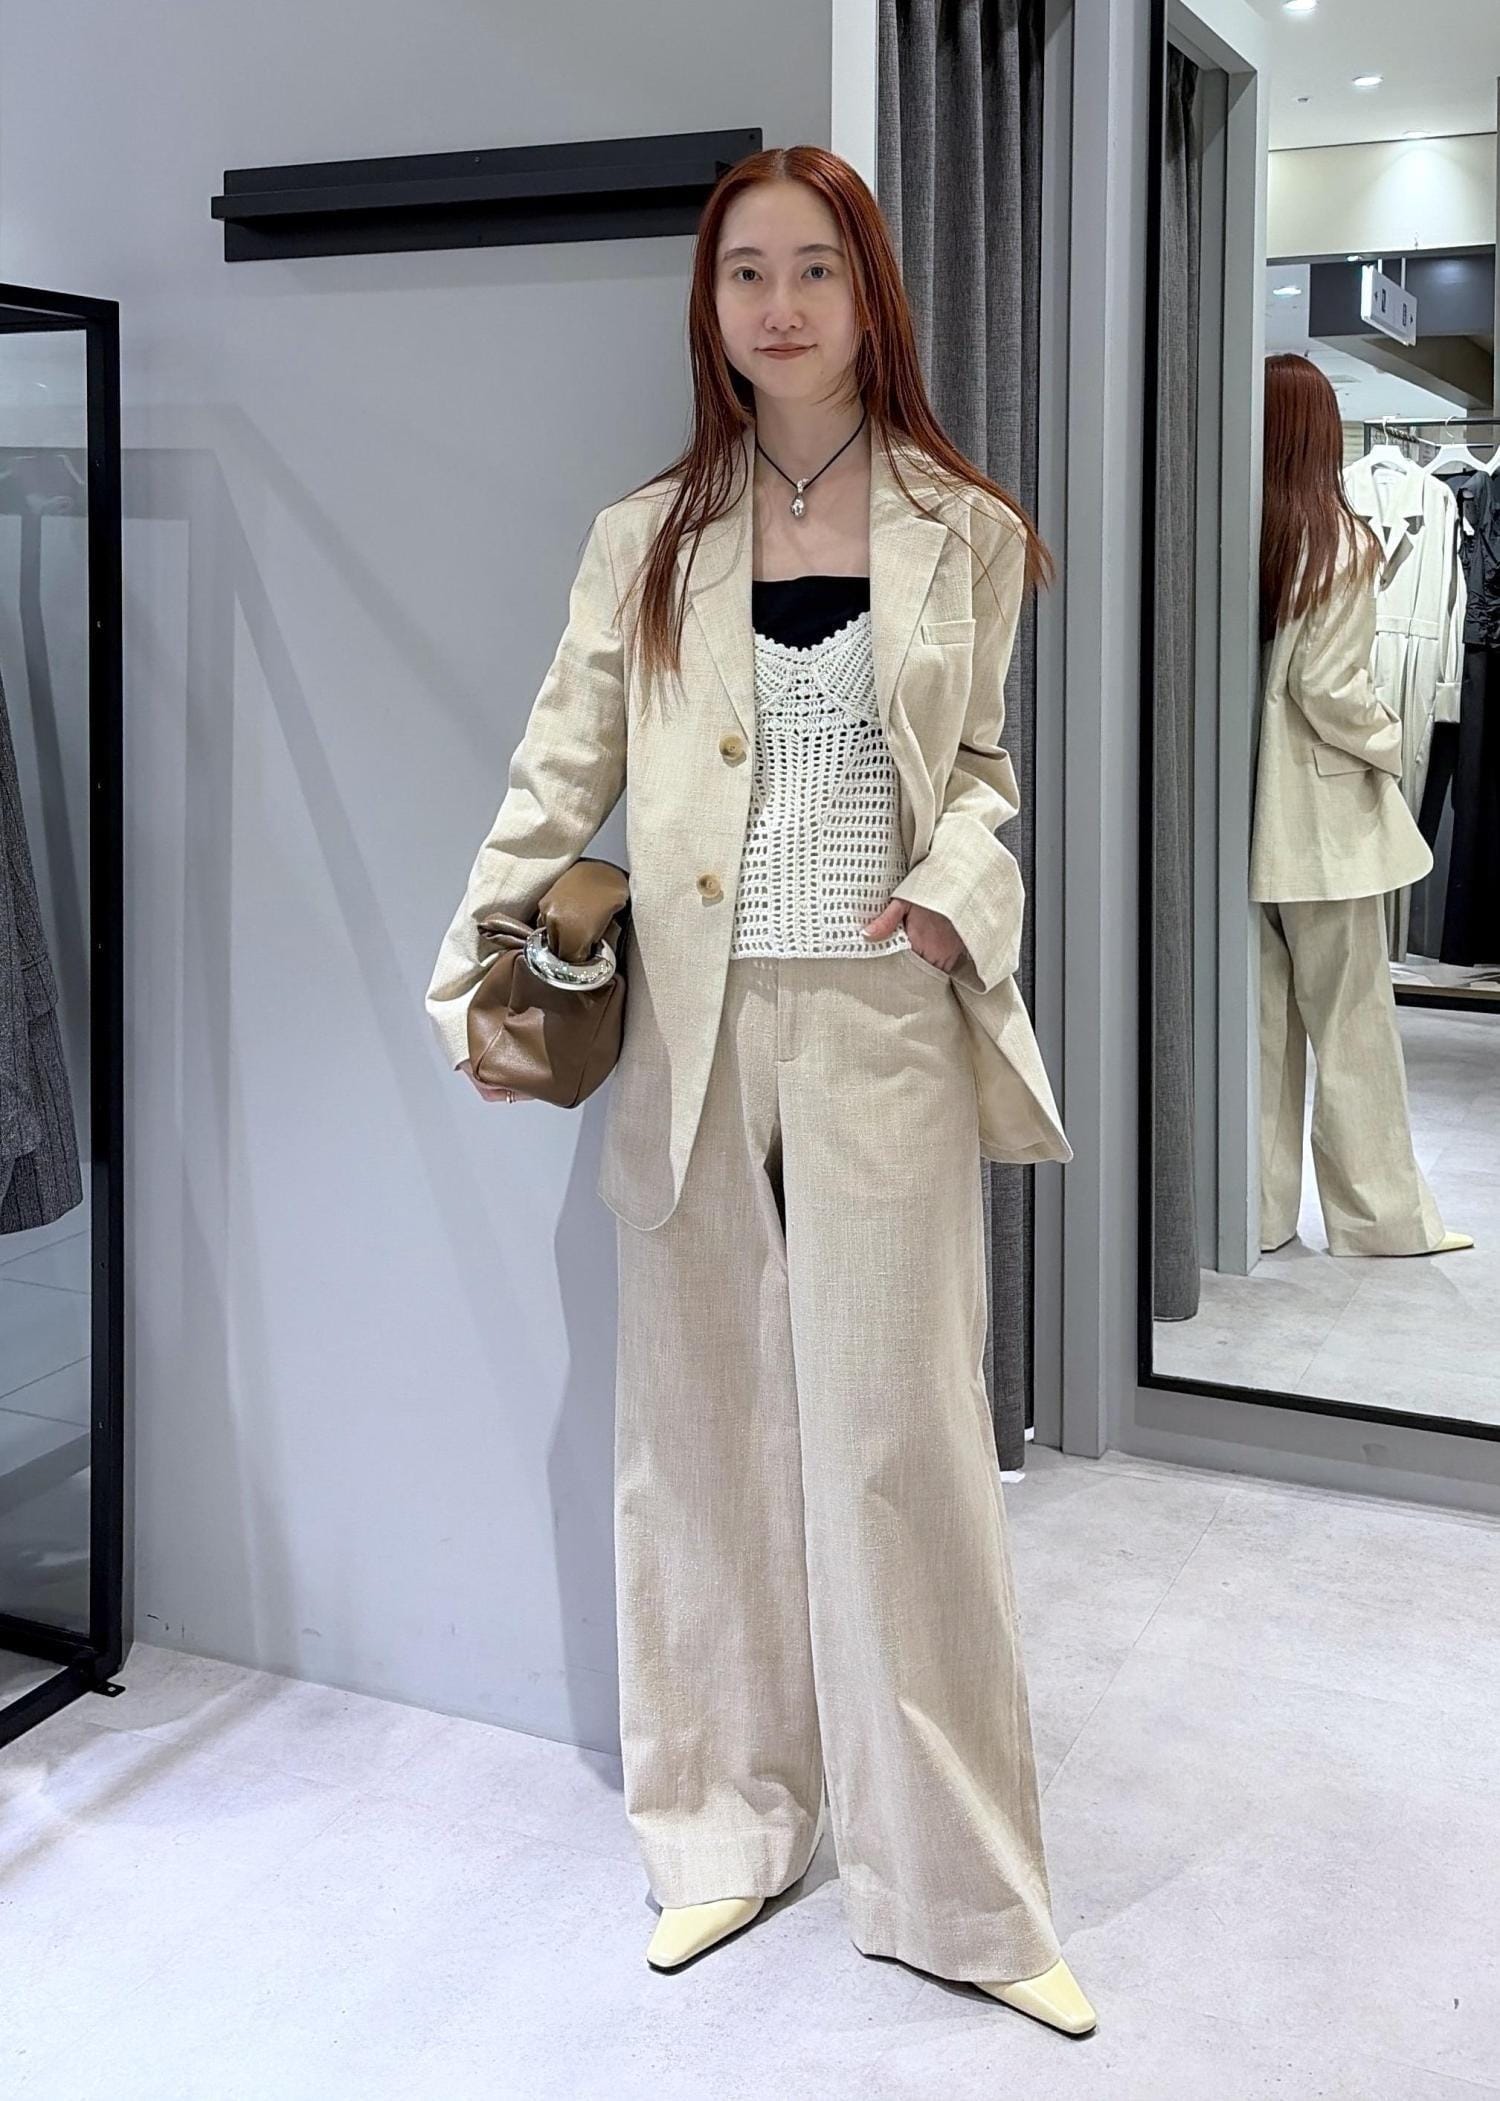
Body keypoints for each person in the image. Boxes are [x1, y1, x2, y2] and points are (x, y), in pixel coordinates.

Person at [424, 145, 1095, 2038]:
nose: (779, 306)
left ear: (871, 292)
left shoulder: (963, 526)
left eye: (814, 269)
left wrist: (956, 898)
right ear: (708, 307)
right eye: (745, 274)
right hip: (689, 1035)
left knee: (904, 1441)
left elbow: (986, 771)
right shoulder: (648, 536)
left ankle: (960, 1885)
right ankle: (722, 1827)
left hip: (886, 1018)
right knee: (700, 1433)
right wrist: (481, 985)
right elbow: (557, 774)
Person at [1250, 353, 1472, 1259]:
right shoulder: (1338, 540)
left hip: (1248, 824)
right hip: (1325, 825)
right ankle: (1379, 1219)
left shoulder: (1242, 528)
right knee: (1353, 1027)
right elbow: (1330, 688)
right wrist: (1390, 736)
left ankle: (1255, 1214)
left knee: (1261, 1031)